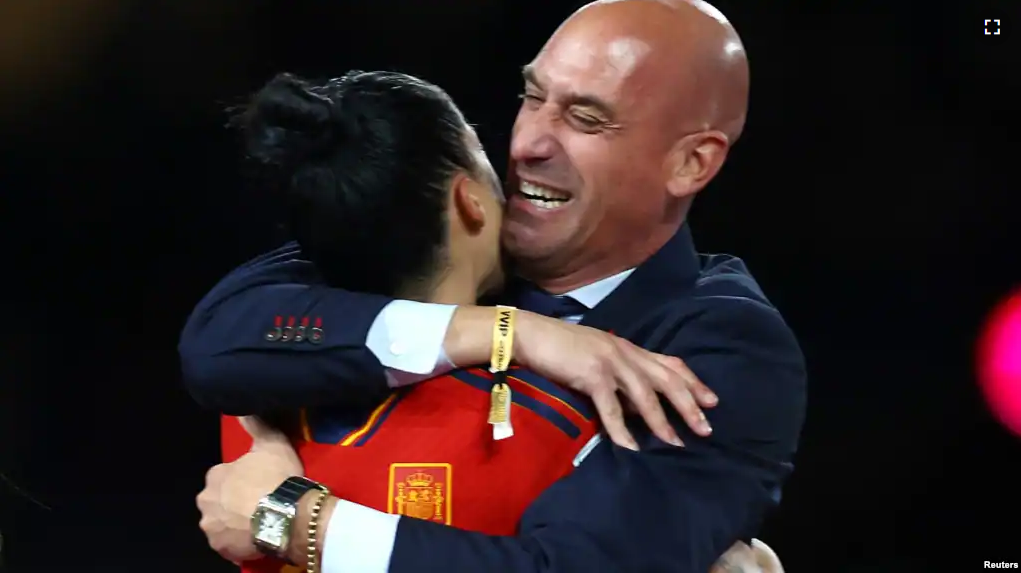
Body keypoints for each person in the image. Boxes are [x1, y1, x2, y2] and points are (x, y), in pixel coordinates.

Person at [183, 0, 807, 571]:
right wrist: (508, 332)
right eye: (533, 97)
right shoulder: (452, 238)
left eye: (586, 119)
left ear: (690, 162)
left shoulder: (722, 349)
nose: (529, 143)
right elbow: (217, 340)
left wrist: (298, 522)